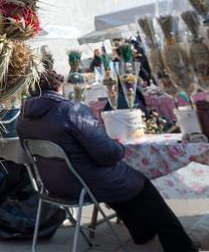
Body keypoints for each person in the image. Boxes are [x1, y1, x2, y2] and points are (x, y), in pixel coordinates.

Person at [18, 69, 198, 252]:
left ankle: (142, 233)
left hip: (54, 186)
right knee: (137, 184)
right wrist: (119, 147)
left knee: (119, 180)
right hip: (83, 184)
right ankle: (181, 246)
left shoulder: (23, 118)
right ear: (59, 86)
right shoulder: (71, 110)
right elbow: (107, 154)